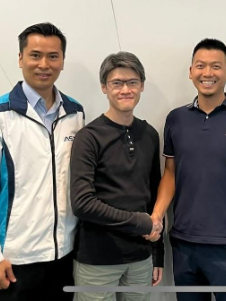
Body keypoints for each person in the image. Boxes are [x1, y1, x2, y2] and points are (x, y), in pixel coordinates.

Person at [0, 23, 85, 300]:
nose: (44, 64)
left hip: (65, 257)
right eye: (35, 55)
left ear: (62, 61)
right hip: (14, 261)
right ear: (20, 58)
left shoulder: (75, 113)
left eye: (53, 56)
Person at [152, 39, 226, 301]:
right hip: (183, 242)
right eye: (201, 66)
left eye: (216, 66)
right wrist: (157, 215)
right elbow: (170, 173)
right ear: (191, 71)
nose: (207, 73)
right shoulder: (176, 118)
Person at [70, 52, 164, 301]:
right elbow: (82, 204)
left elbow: (154, 195)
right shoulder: (89, 137)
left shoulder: (149, 134)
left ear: (142, 85)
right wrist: (140, 222)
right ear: (104, 87)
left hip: (141, 258)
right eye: (117, 83)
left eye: (132, 82)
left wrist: (157, 253)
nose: (125, 90)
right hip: (97, 260)